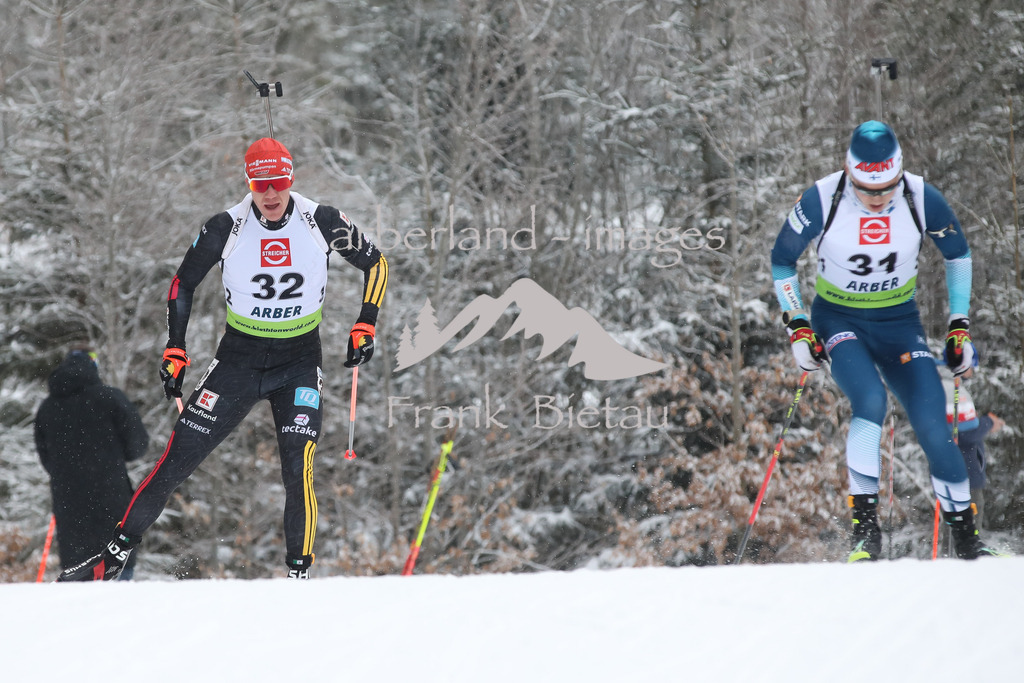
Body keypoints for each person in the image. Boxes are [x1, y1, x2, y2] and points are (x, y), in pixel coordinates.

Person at [57, 137, 388, 581]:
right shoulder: (224, 227)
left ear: (291, 178)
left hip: (298, 362)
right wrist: (175, 347)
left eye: (279, 182)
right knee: (177, 458)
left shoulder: (322, 221)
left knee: (299, 464)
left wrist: (365, 322)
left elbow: (376, 264)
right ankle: (112, 555)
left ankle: (299, 576)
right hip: (238, 360)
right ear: (248, 181)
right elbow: (182, 284)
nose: (270, 194)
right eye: (260, 183)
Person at [770, 120, 998, 561]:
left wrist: (958, 326)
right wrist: (797, 326)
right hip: (839, 319)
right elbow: (782, 261)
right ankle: (865, 535)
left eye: (886, 188)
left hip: (899, 322)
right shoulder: (821, 198)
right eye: (866, 189)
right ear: (848, 171)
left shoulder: (921, 197)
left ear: (898, 173)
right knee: (871, 402)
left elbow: (959, 256)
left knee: (935, 427)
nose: (877, 200)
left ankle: (969, 542)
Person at [35, 347, 149, 580]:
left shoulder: (47, 409)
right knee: (118, 568)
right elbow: (138, 445)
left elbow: (47, 460)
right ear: (92, 367)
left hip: (69, 503)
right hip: (111, 494)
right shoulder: (110, 398)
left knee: (78, 575)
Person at [938, 361, 1004, 529]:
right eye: (972, 365)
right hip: (964, 473)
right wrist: (989, 423)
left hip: (956, 471)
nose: (974, 370)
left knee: (956, 524)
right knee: (966, 526)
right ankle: (965, 554)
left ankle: (958, 552)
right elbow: (965, 432)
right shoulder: (952, 388)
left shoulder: (947, 385)